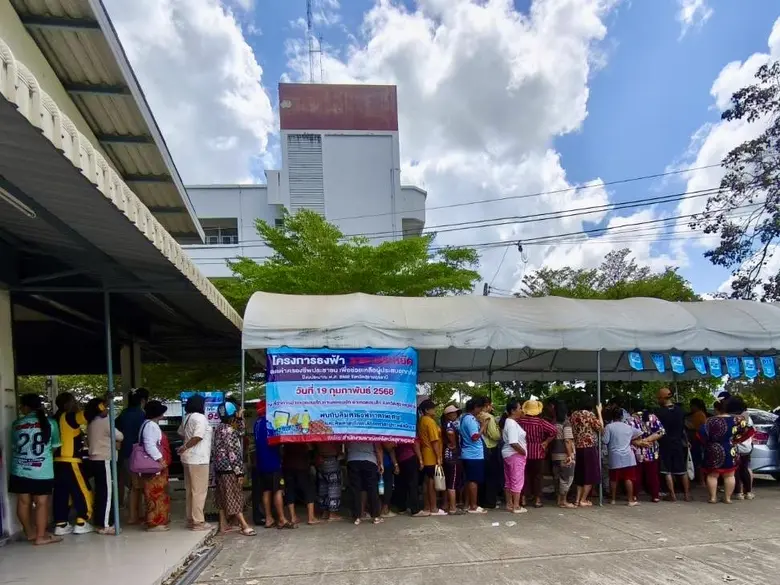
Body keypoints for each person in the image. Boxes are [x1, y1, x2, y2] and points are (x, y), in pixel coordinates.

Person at [9, 394, 62, 545]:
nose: (20, 408)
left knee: (23, 502)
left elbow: (14, 447)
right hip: (42, 470)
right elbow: (56, 447)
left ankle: (30, 533)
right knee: (42, 503)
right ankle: (40, 537)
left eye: (21, 405)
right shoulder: (50, 423)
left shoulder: (16, 424)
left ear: (26, 407)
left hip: (19, 469)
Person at [698, 397, 754, 504]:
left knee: (712, 475)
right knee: (729, 475)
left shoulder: (709, 421)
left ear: (716, 409)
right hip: (730, 448)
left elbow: (701, 434)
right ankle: (728, 499)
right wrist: (736, 440)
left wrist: (708, 443)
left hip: (713, 449)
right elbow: (748, 431)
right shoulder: (737, 420)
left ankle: (713, 498)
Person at [52, 392, 93, 536]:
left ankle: (61, 524)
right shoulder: (68, 417)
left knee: (61, 494)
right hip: (71, 461)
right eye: (73, 401)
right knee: (83, 491)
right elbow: (88, 414)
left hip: (56, 462)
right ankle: (82, 521)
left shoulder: (53, 419)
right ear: (66, 405)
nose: (76, 404)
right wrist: (104, 403)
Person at [212, 402, 255, 535]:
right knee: (234, 497)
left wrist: (238, 418)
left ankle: (224, 523)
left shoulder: (219, 428)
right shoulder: (230, 431)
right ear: (233, 414)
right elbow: (233, 453)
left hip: (219, 468)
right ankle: (244, 525)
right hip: (230, 469)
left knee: (222, 496)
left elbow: (240, 432)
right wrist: (239, 473)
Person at [85, 397, 124, 534]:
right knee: (107, 493)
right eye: (105, 407)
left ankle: (99, 521)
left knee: (101, 492)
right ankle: (105, 524)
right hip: (105, 460)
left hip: (95, 459)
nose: (107, 409)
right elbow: (119, 436)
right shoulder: (105, 421)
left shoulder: (91, 422)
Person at [177, 394, 213, 531]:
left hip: (187, 458)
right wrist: (186, 445)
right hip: (199, 459)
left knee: (190, 490)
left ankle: (191, 519)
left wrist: (186, 443)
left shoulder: (187, 417)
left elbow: (180, 432)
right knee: (199, 491)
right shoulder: (200, 417)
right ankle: (198, 522)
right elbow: (198, 436)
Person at [253, 400, 290, 529]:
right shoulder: (270, 423)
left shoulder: (257, 423)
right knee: (278, 490)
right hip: (273, 462)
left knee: (266, 491)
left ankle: (268, 518)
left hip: (261, 463)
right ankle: (281, 519)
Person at [116, 387, 148, 524]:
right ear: (142, 400)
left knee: (132, 486)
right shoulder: (142, 415)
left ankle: (136, 514)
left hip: (125, 453)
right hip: (139, 454)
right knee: (137, 487)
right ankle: (134, 516)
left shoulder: (123, 414)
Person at [517, 400, 557, 508]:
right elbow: (554, 431)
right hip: (538, 452)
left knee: (524, 476)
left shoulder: (520, 421)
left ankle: (523, 498)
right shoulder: (541, 422)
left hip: (523, 451)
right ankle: (537, 500)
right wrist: (546, 442)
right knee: (538, 477)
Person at [140, 400, 172, 531]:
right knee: (156, 494)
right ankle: (155, 522)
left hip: (154, 466)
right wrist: (160, 460)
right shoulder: (151, 426)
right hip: (156, 467)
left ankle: (155, 520)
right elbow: (150, 445)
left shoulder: (146, 424)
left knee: (154, 493)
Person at [655, 388, 691, 502]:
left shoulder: (659, 412)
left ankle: (672, 495)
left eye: (658, 398)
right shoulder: (681, 411)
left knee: (667, 471)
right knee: (682, 470)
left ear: (663, 398)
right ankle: (687, 495)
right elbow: (684, 428)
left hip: (664, 443)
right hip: (678, 443)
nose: (657, 400)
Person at [602, 405, 642, 506]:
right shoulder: (628, 427)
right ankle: (630, 500)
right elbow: (640, 433)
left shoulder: (609, 427)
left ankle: (613, 499)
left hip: (614, 456)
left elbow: (605, 440)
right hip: (628, 456)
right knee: (628, 478)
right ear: (622, 416)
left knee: (613, 479)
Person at [570, 396, 604, 507]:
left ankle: (577, 499)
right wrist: (599, 413)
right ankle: (583, 500)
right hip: (589, 447)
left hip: (578, 447)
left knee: (580, 474)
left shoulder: (574, 415)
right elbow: (601, 428)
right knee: (590, 474)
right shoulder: (589, 415)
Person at [629, 400, 665, 503]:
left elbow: (627, 435)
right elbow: (661, 431)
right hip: (652, 450)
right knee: (653, 474)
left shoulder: (631, 419)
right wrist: (648, 440)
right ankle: (655, 496)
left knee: (636, 474)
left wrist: (640, 442)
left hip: (636, 451)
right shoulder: (653, 417)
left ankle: (635, 495)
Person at [460, 398, 489, 514]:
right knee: (473, 480)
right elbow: (475, 437)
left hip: (467, 453)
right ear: (475, 407)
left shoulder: (464, 418)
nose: (481, 411)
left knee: (469, 480)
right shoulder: (471, 420)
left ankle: (467, 504)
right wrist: (483, 426)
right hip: (474, 454)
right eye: (480, 408)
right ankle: (473, 506)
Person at [417, 399, 445, 516]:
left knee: (427, 481)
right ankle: (433, 507)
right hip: (431, 455)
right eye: (433, 408)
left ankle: (427, 506)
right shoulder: (430, 421)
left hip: (425, 453)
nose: (435, 410)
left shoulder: (421, 420)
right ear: (427, 410)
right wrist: (438, 456)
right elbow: (434, 441)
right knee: (431, 482)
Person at [346, 442, 384, 525]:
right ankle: (376, 516)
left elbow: (347, 445)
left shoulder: (350, 430)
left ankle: (357, 517)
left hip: (353, 460)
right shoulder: (372, 431)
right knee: (372, 489)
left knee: (355, 489)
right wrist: (381, 463)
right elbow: (378, 448)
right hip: (369, 460)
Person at [282, 442, 318, 525]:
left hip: (288, 465)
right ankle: (311, 517)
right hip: (302, 466)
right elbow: (310, 448)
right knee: (308, 489)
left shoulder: (286, 433)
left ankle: (293, 517)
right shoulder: (302, 434)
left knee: (290, 490)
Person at [501, 400, 527, 514]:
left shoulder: (509, 422)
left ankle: (509, 503)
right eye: (519, 408)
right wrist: (523, 452)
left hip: (508, 454)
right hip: (514, 454)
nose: (521, 410)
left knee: (509, 480)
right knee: (517, 480)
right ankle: (516, 505)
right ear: (513, 410)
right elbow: (513, 442)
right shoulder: (511, 424)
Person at [549, 399, 576, 509]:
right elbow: (567, 440)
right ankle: (563, 501)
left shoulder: (553, 423)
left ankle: (558, 499)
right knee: (566, 477)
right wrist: (570, 455)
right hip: (564, 454)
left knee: (557, 477)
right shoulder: (566, 423)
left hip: (554, 454)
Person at [478, 397, 502, 510]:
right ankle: (490, 501)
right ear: (487, 405)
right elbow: (495, 435)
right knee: (491, 477)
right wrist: (499, 433)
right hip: (490, 448)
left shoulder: (476, 416)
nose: (491, 407)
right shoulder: (489, 417)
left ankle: (481, 500)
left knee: (482, 476)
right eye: (490, 405)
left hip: (480, 448)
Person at [440, 405, 463, 515]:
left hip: (447, 456)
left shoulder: (445, 424)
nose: (455, 414)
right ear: (448, 415)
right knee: (452, 483)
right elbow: (450, 433)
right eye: (453, 413)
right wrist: (453, 443)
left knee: (448, 481)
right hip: (452, 457)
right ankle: (453, 507)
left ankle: (446, 504)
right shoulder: (449, 424)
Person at [731, 397, 755, 500]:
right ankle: (748, 492)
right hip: (746, 447)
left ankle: (738, 493)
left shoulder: (731, 417)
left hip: (734, 447)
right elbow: (751, 431)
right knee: (744, 469)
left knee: (735, 469)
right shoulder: (747, 417)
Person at [396, 439, 426, 517]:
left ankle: (402, 508)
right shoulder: (410, 430)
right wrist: (420, 459)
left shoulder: (397, 431)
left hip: (400, 458)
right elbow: (415, 444)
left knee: (402, 484)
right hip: (410, 457)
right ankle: (415, 510)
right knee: (413, 484)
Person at [316, 442, 343, 521]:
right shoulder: (332, 435)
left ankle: (325, 512)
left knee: (323, 487)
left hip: (321, 461)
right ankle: (332, 514)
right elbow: (337, 448)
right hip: (331, 460)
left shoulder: (318, 434)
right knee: (334, 488)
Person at [686, 398, 708, 487]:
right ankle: (701, 480)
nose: (690, 408)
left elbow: (695, 427)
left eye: (691, 406)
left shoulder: (699, 415)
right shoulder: (700, 414)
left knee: (698, 461)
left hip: (697, 440)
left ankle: (701, 481)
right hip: (696, 440)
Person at [380, 443, 399, 517]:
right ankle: (384, 509)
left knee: (379, 486)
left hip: (375, 462)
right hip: (385, 463)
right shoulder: (385, 434)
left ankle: (379, 508)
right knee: (387, 485)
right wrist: (396, 464)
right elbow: (389, 448)